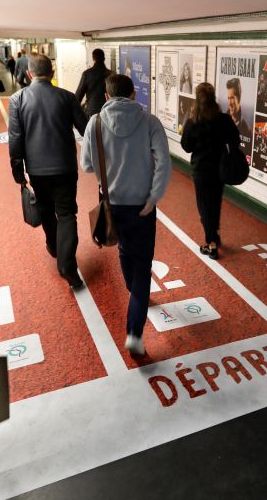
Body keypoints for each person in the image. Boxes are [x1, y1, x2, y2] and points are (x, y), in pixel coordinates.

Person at [80, 74, 172, 355]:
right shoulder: (150, 122)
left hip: (112, 204)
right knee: (143, 264)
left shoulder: (94, 123)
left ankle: (135, 293)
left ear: (106, 97)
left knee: (123, 249)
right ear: (133, 95)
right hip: (143, 205)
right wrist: (153, 197)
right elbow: (164, 164)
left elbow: (86, 165)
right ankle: (134, 332)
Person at [9, 54, 88, 289]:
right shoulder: (67, 97)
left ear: (29, 74)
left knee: (45, 209)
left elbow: (15, 139)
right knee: (66, 214)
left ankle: (54, 246)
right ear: (52, 73)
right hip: (65, 167)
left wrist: (17, 170)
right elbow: (85, 128)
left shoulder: (17, 99)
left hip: (37, 170)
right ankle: (67, 265)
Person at [180, 83, 239, 260]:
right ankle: (214, 234)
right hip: (220, 169)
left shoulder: (192, 122)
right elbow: (235, 141)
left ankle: (211, 244)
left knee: (205, 207)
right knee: (215, 202)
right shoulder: (224, 119)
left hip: (201, 171)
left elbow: (186, 147)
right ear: (213, 99)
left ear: (197, 101)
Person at [75, 48, 112, 117]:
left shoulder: (87, 74)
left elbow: (79, 95)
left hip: (92, 111)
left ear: (93, 59)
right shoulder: (111, 74)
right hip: (108, 111)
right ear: (104, 58)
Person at [226, 77, 251, 144]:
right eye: (228, 98)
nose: (229, 103)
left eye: (232, 98)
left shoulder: (247, 129)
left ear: (239, 97)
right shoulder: (222, 121)